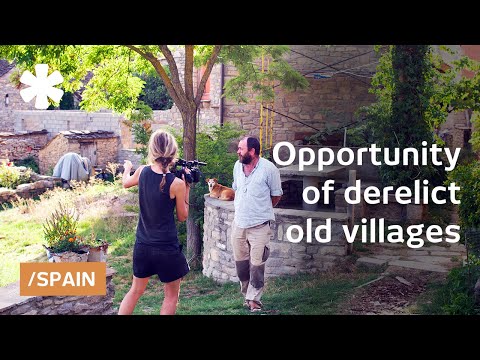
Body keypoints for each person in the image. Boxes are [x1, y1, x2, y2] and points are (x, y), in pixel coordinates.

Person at [118, 129, 191, 315]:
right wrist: (187, 188)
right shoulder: (177, 184)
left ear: (152, 150)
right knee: (171, 296)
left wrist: (127, 168)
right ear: (173, 152)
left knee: (135, 291)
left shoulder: (142, 171)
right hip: (166, 248)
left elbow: (126, 183)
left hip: (142, 246)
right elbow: (183, 217)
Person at [231, 136, 283, 312]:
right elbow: (237, 190)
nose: (238, 151)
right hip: (239, 224)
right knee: (241, 265)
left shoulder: (269, 170)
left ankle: (254, 300)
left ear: (252, 151)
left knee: (257, 265)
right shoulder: (237, 167)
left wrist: (260, 210)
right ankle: (247, 295)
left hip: (260, 225)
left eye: (241, 149)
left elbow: (276, 196)